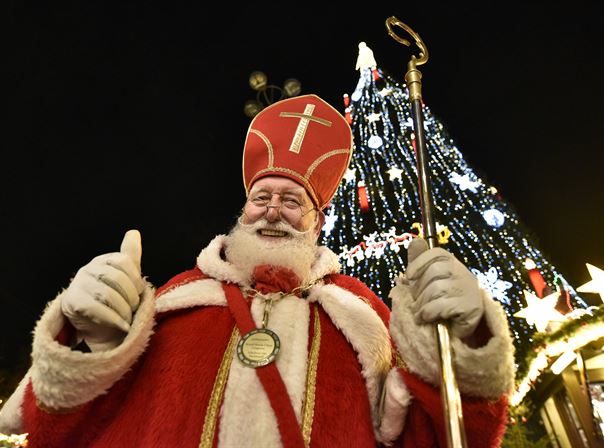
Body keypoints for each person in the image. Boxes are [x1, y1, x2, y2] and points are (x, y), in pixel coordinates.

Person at [0, 94, 515, 447]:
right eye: (260, 197)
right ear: (242, 210)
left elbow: (437, 437)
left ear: (316, 221)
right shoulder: (171, 301)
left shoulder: (364, 316)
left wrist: (462, 350)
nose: (272, 210)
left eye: (292, 200)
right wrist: (91, 347)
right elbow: (59, 430)